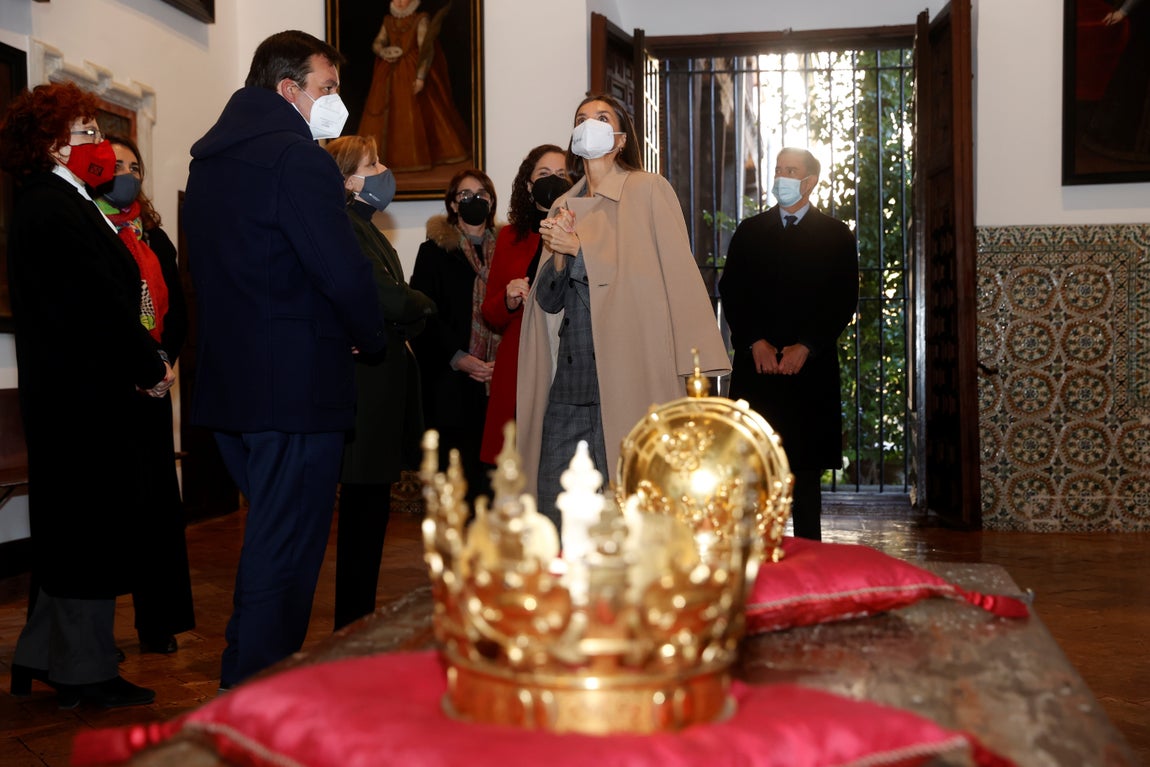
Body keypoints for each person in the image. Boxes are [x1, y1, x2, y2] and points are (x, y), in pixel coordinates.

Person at [182, 30, 387, 690]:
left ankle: (240, 679)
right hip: (294, 387)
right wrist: (370, 335)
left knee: (267, 537)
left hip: (230, 386)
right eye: (328, 88)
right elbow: (341, 271)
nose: (337, 102)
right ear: (287, 88)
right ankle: (258, 696)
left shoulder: (210, 162)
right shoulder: (297, 161)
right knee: (287, 548)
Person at [1, 81, 174, 708]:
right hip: (81, 401)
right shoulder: (51, 204)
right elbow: (97, 306)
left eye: (96, 131)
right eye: (85, 133)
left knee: (75, 530)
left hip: (77, 394)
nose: (98, 143)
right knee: (87, 533)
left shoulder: (63, 200)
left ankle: (42, 653)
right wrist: (149, 361)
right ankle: (84, 671)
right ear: (50, 143)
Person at [516, 94, 731, 530]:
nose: (589, 124)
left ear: (619, 138)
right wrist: (558, 261)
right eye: (581, 119)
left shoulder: (648, 190)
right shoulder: (563, 206)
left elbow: (662, 281)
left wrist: (579, 253)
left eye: (601, 118)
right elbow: (549, 301)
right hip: (570, 381)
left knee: (629, 504)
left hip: (628, 371)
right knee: (556, 507)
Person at [717, 147, 859, 541]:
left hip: (809, 374)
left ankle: (808, 558)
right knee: (752, 471)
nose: (781, 176)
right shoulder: (750, 231)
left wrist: (807, 346)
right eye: (778, 169)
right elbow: (732, 292)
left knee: (805, 476)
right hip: (756, 368)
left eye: (791, 170)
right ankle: (751, 559)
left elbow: (843, 299)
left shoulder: (836, 235)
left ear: (810, 181)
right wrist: (754, 342)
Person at [324, 135, 436, 630]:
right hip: (364, 393)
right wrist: (421, 304)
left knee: (372, 519)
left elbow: (399, 306)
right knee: (361, 521)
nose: (385, 168)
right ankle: (351, 623)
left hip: (383, 387)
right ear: (350, 180)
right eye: (373, 163)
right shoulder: (345, 227)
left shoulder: (371, 230)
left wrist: (409, 307)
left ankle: (359, 619)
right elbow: (391, 300)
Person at [97, 135, 195, 655]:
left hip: (155, 387)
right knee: (113, 509)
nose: (127, 173)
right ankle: (97, 633)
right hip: (112, 388)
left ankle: (157, 622)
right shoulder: (91, 231)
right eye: (116, 166)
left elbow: (176, 308)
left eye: (134, 166)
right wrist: (138, 365)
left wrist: (164, 362)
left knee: (157, 507)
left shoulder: (154, 237)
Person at [410, 169, 500, 505]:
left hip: (498, 382)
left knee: (493, 486)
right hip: (449, 383)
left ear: (491, 201)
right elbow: (423, 315)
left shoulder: (508, 249)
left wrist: (498, 363)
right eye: (465, 194)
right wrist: (459, 358)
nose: (474, 200)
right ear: (452, 203)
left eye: (482, 193)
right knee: (455, 487)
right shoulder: (433, 252)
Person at [479, 144, 570, 464]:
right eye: (544, 175)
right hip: (519, 362)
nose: (553, 181)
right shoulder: (509, 238)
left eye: (561, 175)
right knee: (517, 467)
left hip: (568, 362)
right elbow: (490, 314)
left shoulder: (584, 233)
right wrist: (507, 298)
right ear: (529, 186)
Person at [357, 0, 471, 172]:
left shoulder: (421, 19)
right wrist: (383, 52)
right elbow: (378, 42)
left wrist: (420, 77)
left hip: (411, 71)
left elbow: (426, 51)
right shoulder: (388, 21)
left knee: (414, 113)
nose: (401, 2)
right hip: (389, 73)